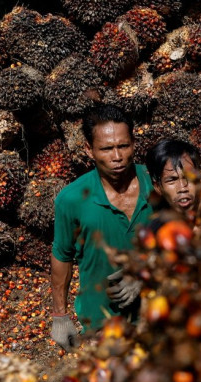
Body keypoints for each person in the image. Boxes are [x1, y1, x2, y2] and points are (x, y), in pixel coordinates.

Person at [50, 104, 155, 350]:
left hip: (159, 313)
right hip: (101, 323)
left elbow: (188, 237)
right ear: (89, 150)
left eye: (123, 146)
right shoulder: (71, 199)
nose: (117, 157)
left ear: (134, 143)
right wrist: (60, 317)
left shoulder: (158, 183)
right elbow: (62, 256)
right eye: (106, 149)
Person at [144, 139, 201, 228]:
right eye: (172, 180)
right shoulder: (157, 232)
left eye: (188, 178)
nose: (182, 188)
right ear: (158, 187)